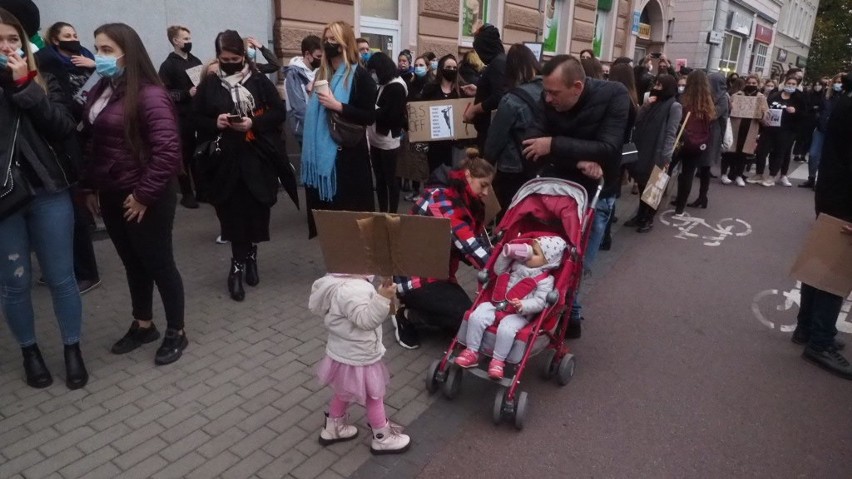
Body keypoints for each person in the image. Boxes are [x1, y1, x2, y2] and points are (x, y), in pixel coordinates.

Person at [81, 22, 187, 365]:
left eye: (107, 50)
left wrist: (143, 194)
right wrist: (89, 186)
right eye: (97, 49)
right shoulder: (103, 89)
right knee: (132, 263)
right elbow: (93, 143)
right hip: (111, 192)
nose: (99, 56)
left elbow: (168, 151)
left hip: (146, 194)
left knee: (158, 262)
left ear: (129, 53)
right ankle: (144, 325)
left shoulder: (150, 94)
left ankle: (177, 331)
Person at [0, 7, 87, 389]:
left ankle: (72, 349)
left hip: (49, 191)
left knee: (61, 277)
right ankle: (30, 352)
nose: (6, 47)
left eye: (12, 39)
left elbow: (64, 126)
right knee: (15, 283)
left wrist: (25, 89)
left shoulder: (44, 79)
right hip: (5, 200)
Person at [521, 55, 630, 338]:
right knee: (550, 258)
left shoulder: (614, 95)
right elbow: (532, 144)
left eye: (554, 93)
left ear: (577, 87)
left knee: (578, 264)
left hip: (596, 195)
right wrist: (581, 154)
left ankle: (573, 312)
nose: (547, 99)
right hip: (556, 193)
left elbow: (609, 147)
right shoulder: (547, 99)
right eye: (545, 91)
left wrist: (554, 144)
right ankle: (543, 307)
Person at [193, 30, 287, 301]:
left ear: (243, 56)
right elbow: (193, 118)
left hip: (257, 161)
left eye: (235, 58)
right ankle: (236, 268)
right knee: (232, 217)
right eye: (224, 58)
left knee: (256, 214)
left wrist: (253, 123)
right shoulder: (210, 84)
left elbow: (279, 111)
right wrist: (216, 122)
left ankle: (252, 256)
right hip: (225, 163)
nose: (230, 62)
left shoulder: (258, 80)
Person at [392, 149, 495, 349]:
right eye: (484, 185)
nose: (486, 193)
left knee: (465, 320)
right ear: (467, 175)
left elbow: (475, 241)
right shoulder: (442, 199)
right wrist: (501, 266)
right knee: (466, 319)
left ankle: (425, 312)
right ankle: (409, 315)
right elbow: (470, 246)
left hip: (435, 273)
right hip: (415, 278)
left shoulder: (457, 196)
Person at [310, 274, 412, 453]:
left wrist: (383, 297)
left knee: (343, 390)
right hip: (360, 355)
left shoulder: (335, 281)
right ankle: (382, 438)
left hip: (343, 352)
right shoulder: (355, 289)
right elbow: (366, 321)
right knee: (374, 395)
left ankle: (334, 428)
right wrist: (382, 298)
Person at [35, 21, 102, 294]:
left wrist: (93, 65)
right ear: (53, 41)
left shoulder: (84, 61)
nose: (73, 40)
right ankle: (63, 268)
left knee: (75, 211)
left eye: (75, 34)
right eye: (67, 36)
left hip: (73, 142)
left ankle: (86, 272)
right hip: (57, 144)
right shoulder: (49, 63)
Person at [795, 71, 852, 380]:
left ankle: (807, 328)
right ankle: (820, 340)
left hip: (831, 192)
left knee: (819, 263)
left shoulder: (845, 101)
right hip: (844, 200)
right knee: (835, 271)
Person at [302, 21, 377, 238]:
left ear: (346, 43)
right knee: (331, 228)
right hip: (323, 160)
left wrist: (338, 106)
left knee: (351, 224)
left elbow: (369, 116)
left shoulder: (360, 76)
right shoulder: (321, 75)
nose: (328, 44)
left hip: (349, 159)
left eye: (334, 40)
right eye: (326, 40)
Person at [454, 236, 566, 379]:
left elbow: (540, 301)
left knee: (507, 329)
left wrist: (523, 305)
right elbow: (498, 270)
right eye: (530, 249)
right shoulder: (516, 263)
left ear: (548, 262)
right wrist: (505, 255)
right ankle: (472, 351)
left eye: (535, 253)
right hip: (497, 304)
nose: (530, 253)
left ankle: (498, 361)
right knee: (476, 315)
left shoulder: (545, 280)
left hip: (519, 313)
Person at [485, 43, 542, 210]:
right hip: (541, 165)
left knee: (509, 214)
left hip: (513, 167)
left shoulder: (511, 99)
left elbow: (496, 139)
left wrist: (486, 164)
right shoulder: (549, 91)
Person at [625, 74, 682, 232]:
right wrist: (645, 106)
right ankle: (640, 214)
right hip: (644, 147)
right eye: (655, 85)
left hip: (658, 151)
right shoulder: (652, 102)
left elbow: (671, 133)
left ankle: (648, 218)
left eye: (659, 86)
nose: (655, 88)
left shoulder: (674, 106)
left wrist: (666, 156)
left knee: (654, 186)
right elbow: (637, 121)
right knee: (643, 183)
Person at [158, 25, 202, 208]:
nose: (189, 41)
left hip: (198, 114)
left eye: (189, 38)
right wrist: (186, 94)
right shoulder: (168, 65)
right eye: (185, 38)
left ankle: (202, 190)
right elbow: (163, 93)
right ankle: (186, 193)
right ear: (175, 41)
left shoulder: (195, 60)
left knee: (199, 155)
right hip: (181, 117)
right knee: (184, 155)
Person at [366, 52, 407, 213]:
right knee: (380, 179)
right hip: (377, 137)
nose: (373, 75)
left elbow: (392, 116)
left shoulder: (396, 86)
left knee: (390, 179)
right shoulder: (384, 84)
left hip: (388, 139)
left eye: (374, 71)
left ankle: (392, 212)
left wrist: (372, 110)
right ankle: (383, 210)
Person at [672, 70, 715, 215]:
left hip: (679, 141)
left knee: (664, 170)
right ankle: (680, 208)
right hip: (697, 144)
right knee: (688, 174)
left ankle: (651, 204)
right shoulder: (708, 102)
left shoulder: (683, 99)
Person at [751, 75, 804, 187]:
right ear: (784, 84)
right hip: (769, 128)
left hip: (786, 130)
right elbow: (765, 108)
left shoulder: (799, 99)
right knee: (761, 151)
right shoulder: (775, 95)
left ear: (797, 86)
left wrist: (795, 111)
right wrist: (764, 118)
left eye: (793, 84)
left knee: (778, 153)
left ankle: (772, 176)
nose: (790, 86)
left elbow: (804, 115)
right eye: (789, 83)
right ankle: (759, 174)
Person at [462, 24, 507, 151]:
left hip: (489, 133)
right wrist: (479, 90)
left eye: (479, 50)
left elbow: (499, 96)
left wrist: (475, 109)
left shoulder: (497, 63)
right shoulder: (500, 61)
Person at [686, 72, 728, 208]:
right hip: (703, 133)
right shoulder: (708, 95)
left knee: (705, 167)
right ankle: (696, 196)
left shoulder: (722, 98)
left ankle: (702, 197)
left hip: (712, 136)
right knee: (697, 166)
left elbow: (712, 115)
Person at [420, 54, 463, 174]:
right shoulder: (430, 89)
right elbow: (422, 112)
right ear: (441, 69)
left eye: (455, 68)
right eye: (448, 67)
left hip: (454, 146)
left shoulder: (460, 91)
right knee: (435, 175)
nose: (452, 70)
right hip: (434, 145)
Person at [722, 75, 768, 187]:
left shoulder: (761, 98)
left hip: (750, 128)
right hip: (735, 126)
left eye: (754, 83)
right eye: (749, 82)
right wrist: (731, 107)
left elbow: (766, 119)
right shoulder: (737, 95)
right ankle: (724, 174)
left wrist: (762, 113)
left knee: (743, 153)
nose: (751, 85)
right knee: (729, 151)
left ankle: (738, 175)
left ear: (758, 84)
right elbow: (727, 111)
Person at [801, 73, 844, 188]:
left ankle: (821, 181)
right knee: (813, 154)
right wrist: (819, 118)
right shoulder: (826, 95)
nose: (838, 84)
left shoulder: (845, 98)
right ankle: (811, 178)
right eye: (836, 82)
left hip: (835, 132)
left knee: (828, 158)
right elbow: (820, 108)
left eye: (840, 82)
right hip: (820, 129)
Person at [284, 34, 322, 147]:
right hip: (304, 129)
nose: (321, 60)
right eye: (318, 56)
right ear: (307, 54)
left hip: (320, 128)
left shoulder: (319, 71)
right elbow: (299, 107)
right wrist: (315, 127)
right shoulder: (293, 74)